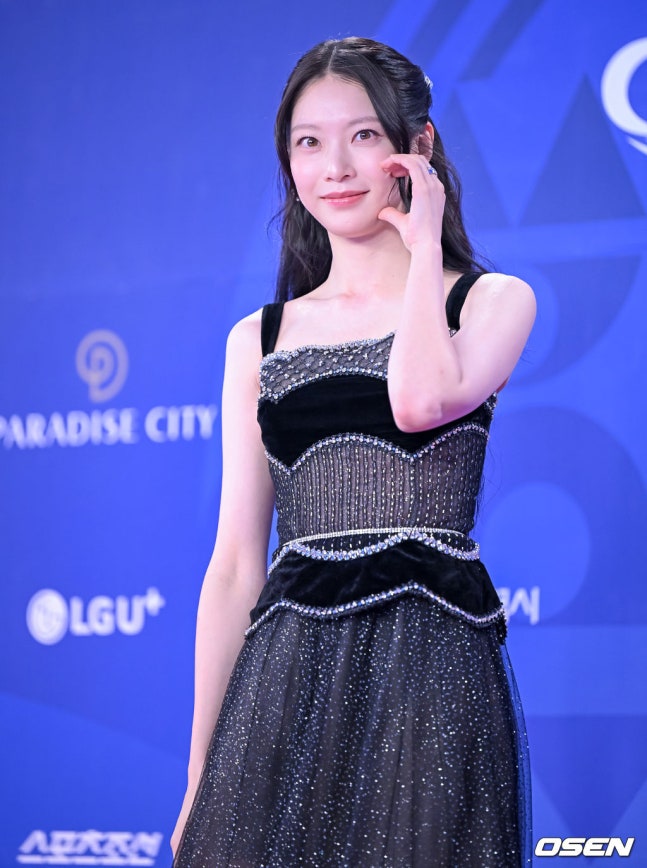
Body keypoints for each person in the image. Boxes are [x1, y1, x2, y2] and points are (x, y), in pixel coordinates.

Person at [171, 36, 535, 867]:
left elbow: (418, 402)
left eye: (363, 135)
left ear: (418, 144)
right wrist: (200, 775)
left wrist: (423, 248)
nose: (333, 167)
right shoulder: (259, 338)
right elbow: (235, 565)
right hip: (283, 681)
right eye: (308, 142)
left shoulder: (490, 301)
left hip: (429, 678)